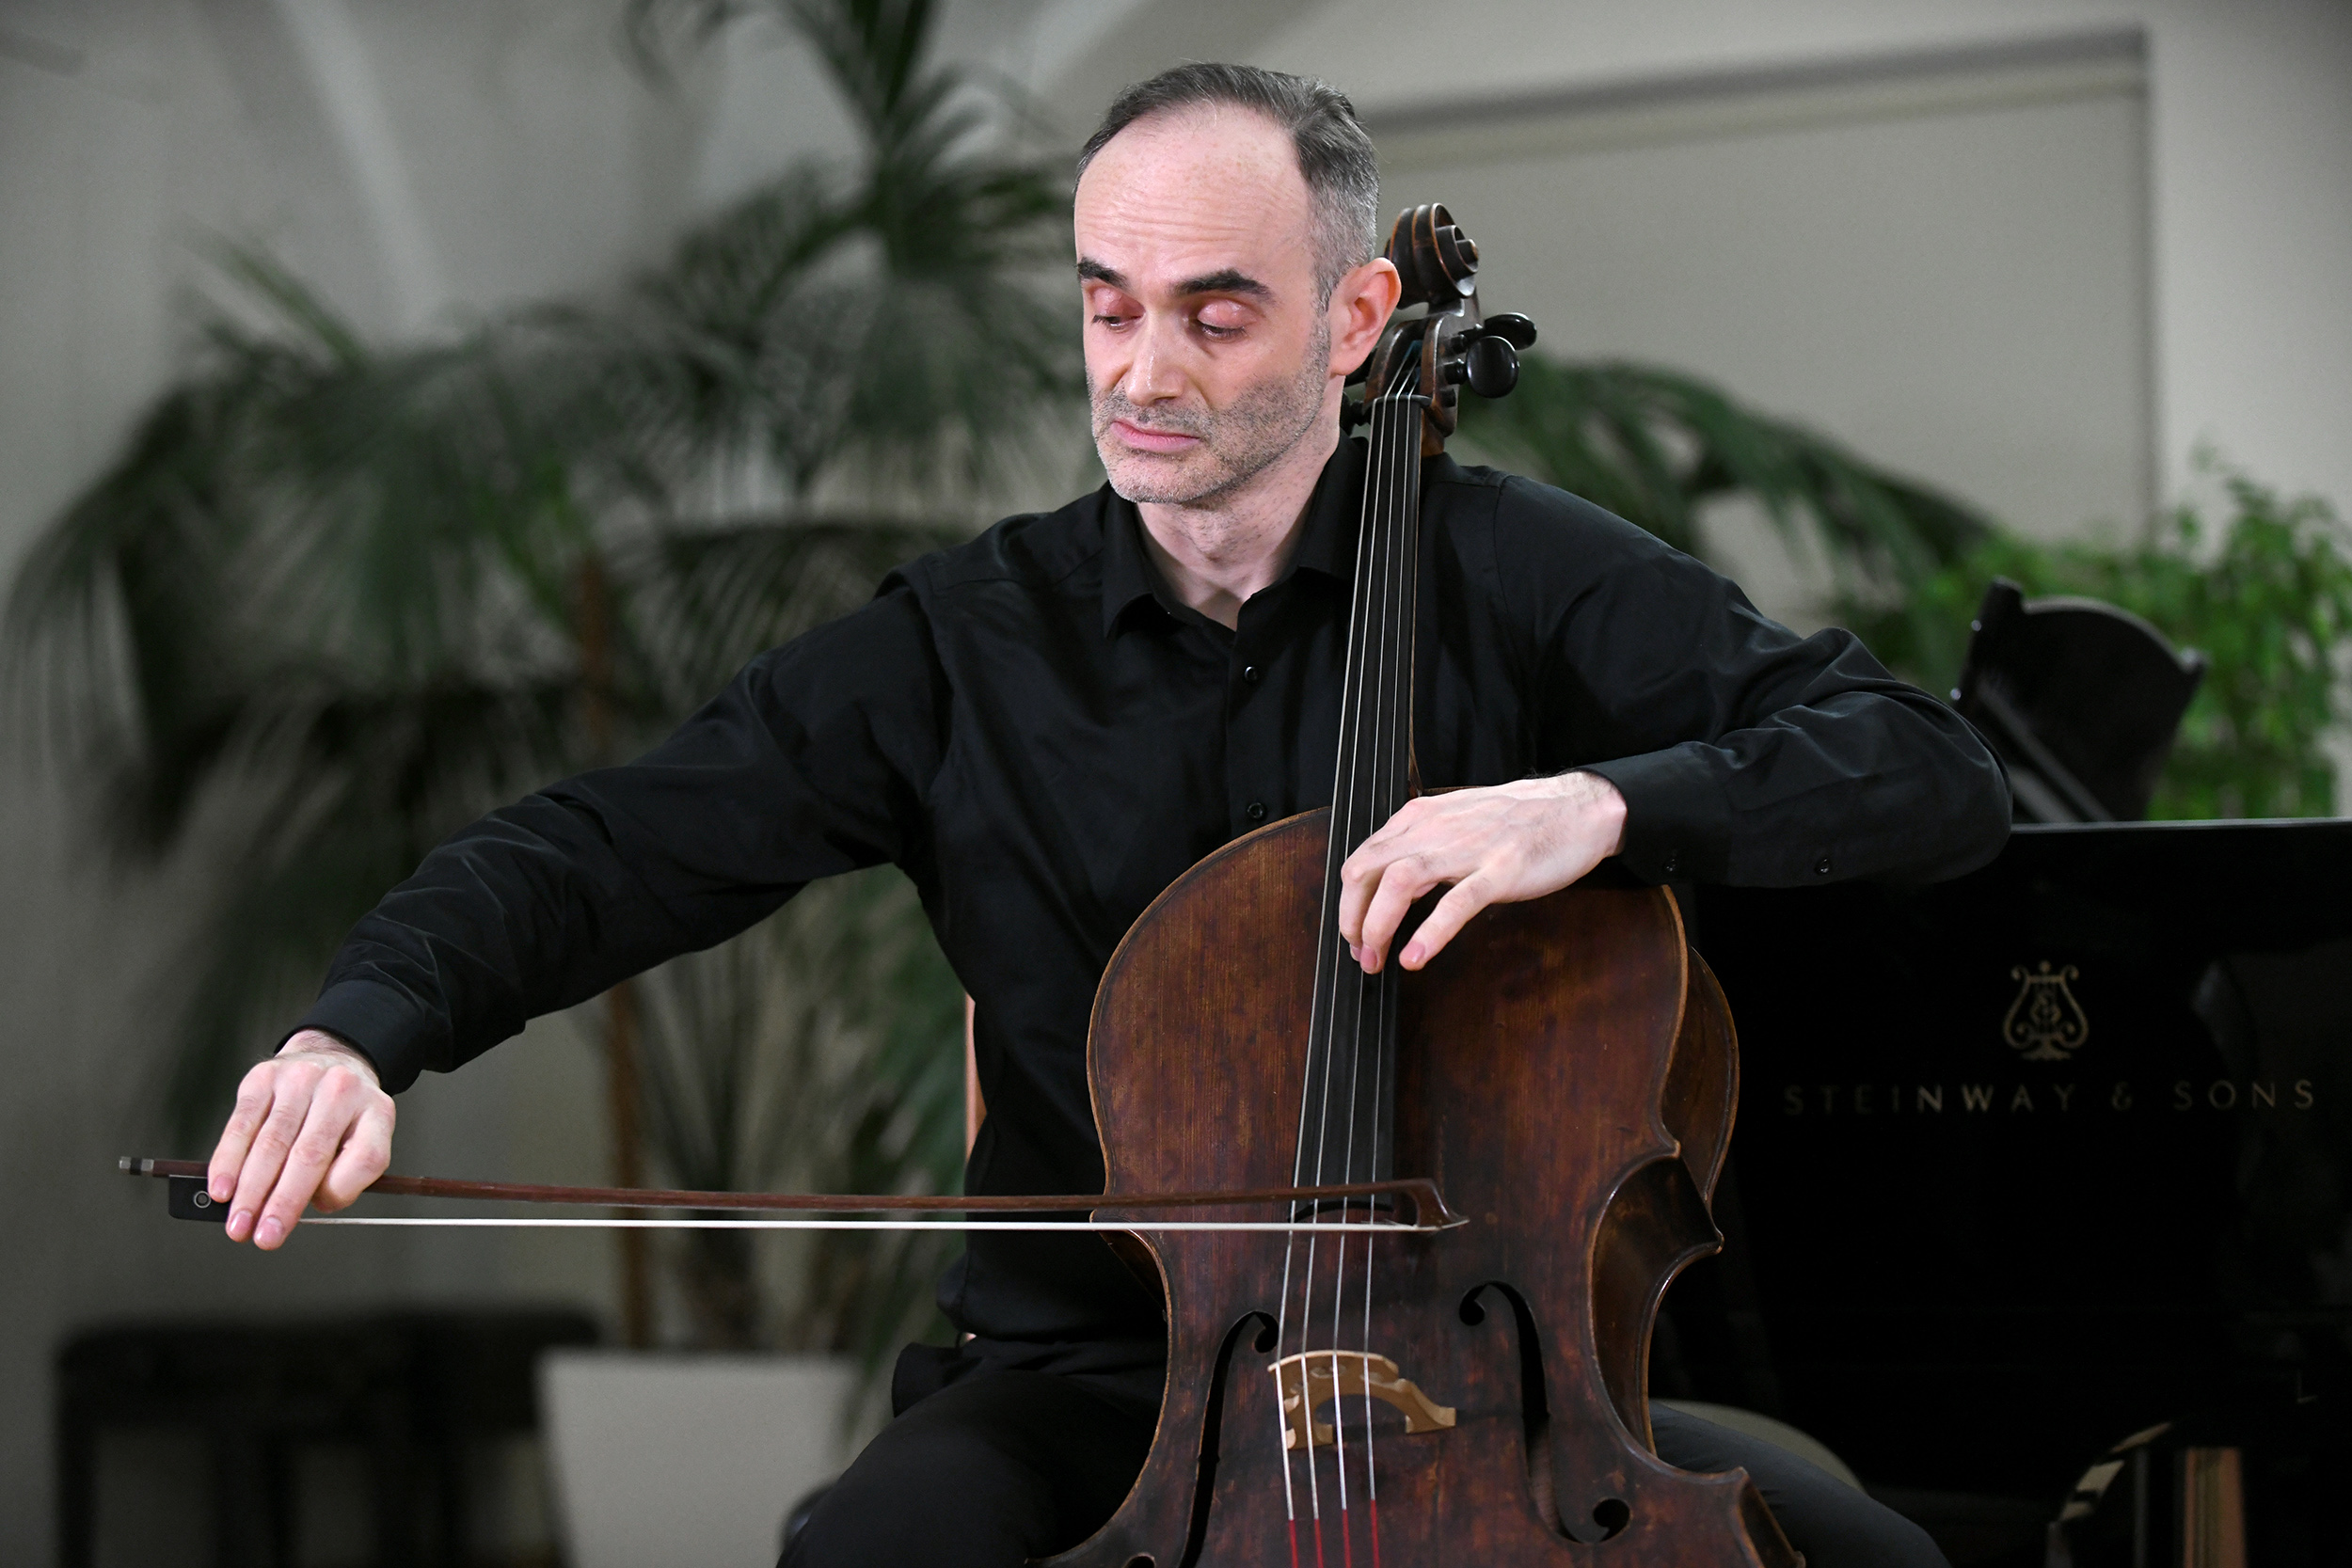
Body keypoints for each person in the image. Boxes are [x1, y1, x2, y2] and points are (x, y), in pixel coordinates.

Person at [203, 63, 2006, 1568]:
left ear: (1356, 318)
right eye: (1106, 304)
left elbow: (1925, 767)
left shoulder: (1520, 576)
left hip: (1492, 1383)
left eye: (1215, 313)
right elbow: (610, 845)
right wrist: (361, 1029)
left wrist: (1596, 805)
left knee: (1875, 1562)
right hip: (1087, 1386)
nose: (1143, 372)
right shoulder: (964, 646)